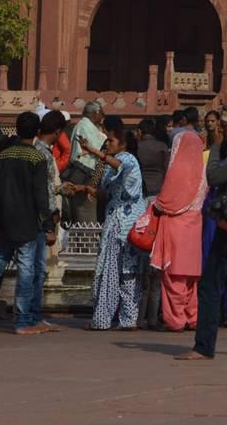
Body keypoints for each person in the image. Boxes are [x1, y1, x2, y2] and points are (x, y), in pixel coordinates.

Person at [0, 111, 57, 334]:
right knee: (25, 271)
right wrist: (48, 225)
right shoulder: (37, 157)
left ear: (16, 129)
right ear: (37, 132)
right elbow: (41, 196)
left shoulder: (3, 156)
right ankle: (23, 322)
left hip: (3, 221)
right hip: (26, 223)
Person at [71, 118, 146, 330]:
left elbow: (121, 167)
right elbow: (106, 192)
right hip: (115, 222)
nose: (108, 144)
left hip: (127, 223)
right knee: (113, 271)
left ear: (123, 144)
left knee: (123, 272)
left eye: (111, 141)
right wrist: (82, 189)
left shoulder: (128, 159)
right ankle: (111, 318)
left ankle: (120, 319)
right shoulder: (109, 165)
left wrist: (94, 151)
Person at [149, 121, 207, 331]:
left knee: (174, 278)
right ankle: (193, 318)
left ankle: (176, 320)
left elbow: (166, 201)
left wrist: (155, 203)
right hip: (195, 226)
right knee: (191, 278)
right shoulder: (202, 169)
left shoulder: (179, 169)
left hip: (176, 227)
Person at [66, 100, 109, 223]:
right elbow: (99, 147)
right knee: (86, 213)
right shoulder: (84, 126)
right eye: (101, 112)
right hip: (85, 173)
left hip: (89, 172)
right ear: (96, 113)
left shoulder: (86, 126)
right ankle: (86, 240)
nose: (102, 116)